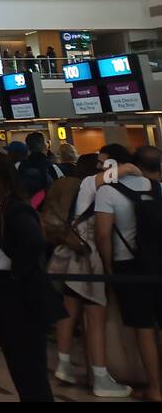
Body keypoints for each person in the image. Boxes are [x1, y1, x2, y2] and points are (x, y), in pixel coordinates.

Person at [0, 157, 59, 402]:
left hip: (20, 303)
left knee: (30, 373)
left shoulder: (15, 209)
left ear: (1, 181)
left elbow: (32, 244)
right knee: (20, 371)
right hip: (5, 302)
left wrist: (13, 277)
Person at [48, 150, 131, 397]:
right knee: (96, 317)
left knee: (69, 310)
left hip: (71, 253)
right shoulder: (93, 185)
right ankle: (100, 376)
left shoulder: (78, 186)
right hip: (89, 257)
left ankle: (64, 364)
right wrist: (132, 168)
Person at [94, 144, 162, 402]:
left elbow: (102, 235)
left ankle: (155, 389)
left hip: (128, 265)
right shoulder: (157, 188)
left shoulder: (108, 192)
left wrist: (109, 267)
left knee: (143, 329)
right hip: (158, 264)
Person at [19, 132, 61, 198]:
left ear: (28, 146)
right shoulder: (49, 165)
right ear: (43, 145)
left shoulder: (22, 165)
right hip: (46, 203)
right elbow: (58, 186)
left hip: (28, 203)